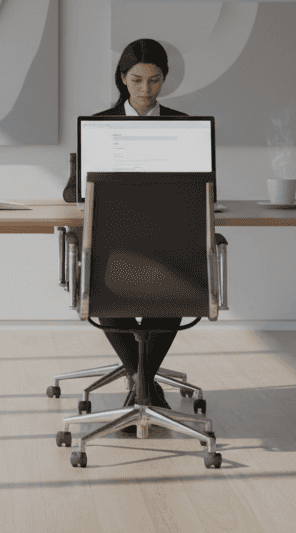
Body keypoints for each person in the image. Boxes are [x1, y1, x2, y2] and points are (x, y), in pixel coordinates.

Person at [62, 38, 185, 413]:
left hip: (165, 242)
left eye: (154, 80)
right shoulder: (100, 125)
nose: (145, 90)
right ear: (123, 79)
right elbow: (72, 193)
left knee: (177, 283)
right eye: (136, 80)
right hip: (116, 244)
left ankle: (139, 382)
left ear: (164, 80)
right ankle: (146, 386)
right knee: (103, 286)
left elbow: (203, 189)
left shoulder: (182, 126)